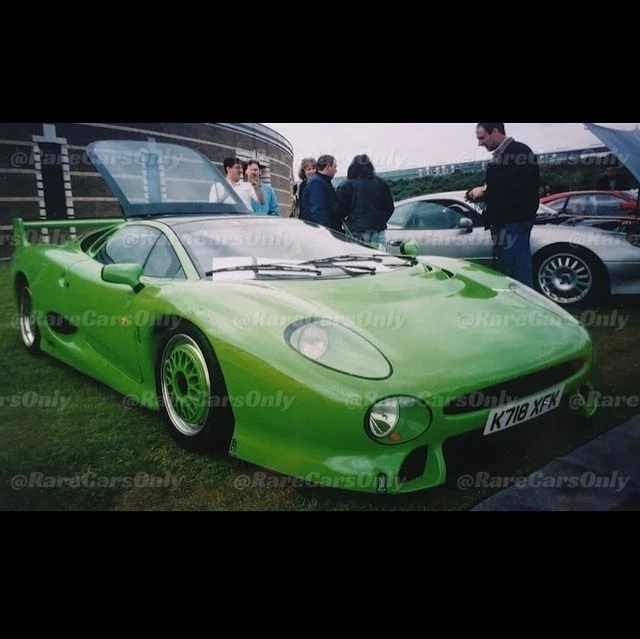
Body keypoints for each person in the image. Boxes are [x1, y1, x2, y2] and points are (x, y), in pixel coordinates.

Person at [466, 123, 540, 288]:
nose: (479, 143)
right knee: (509, 274)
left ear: (495, 132)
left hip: (513, 224)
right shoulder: (505, 154)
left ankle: (525, 310)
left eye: (482, 138)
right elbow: (504, 186)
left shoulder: (519, 152)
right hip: (504, 224)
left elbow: (513, 188)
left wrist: (484, 192)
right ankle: (516, 308)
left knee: (518, 275)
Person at [335, 154, 395, 247]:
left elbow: (339, 211)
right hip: (378, 228)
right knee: (382, 258)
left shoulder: (346, 185)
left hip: (356, 230)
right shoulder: (382, 183)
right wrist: (381, 220)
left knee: (359, 259)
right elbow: (390, 207)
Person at [300, 154, 340, 231]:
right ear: (328, 167)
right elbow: (317, 212)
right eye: (335, 167)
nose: (336, 170)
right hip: (321, 232)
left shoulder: (322, 181)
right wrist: (327, 233)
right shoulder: (317, 183)